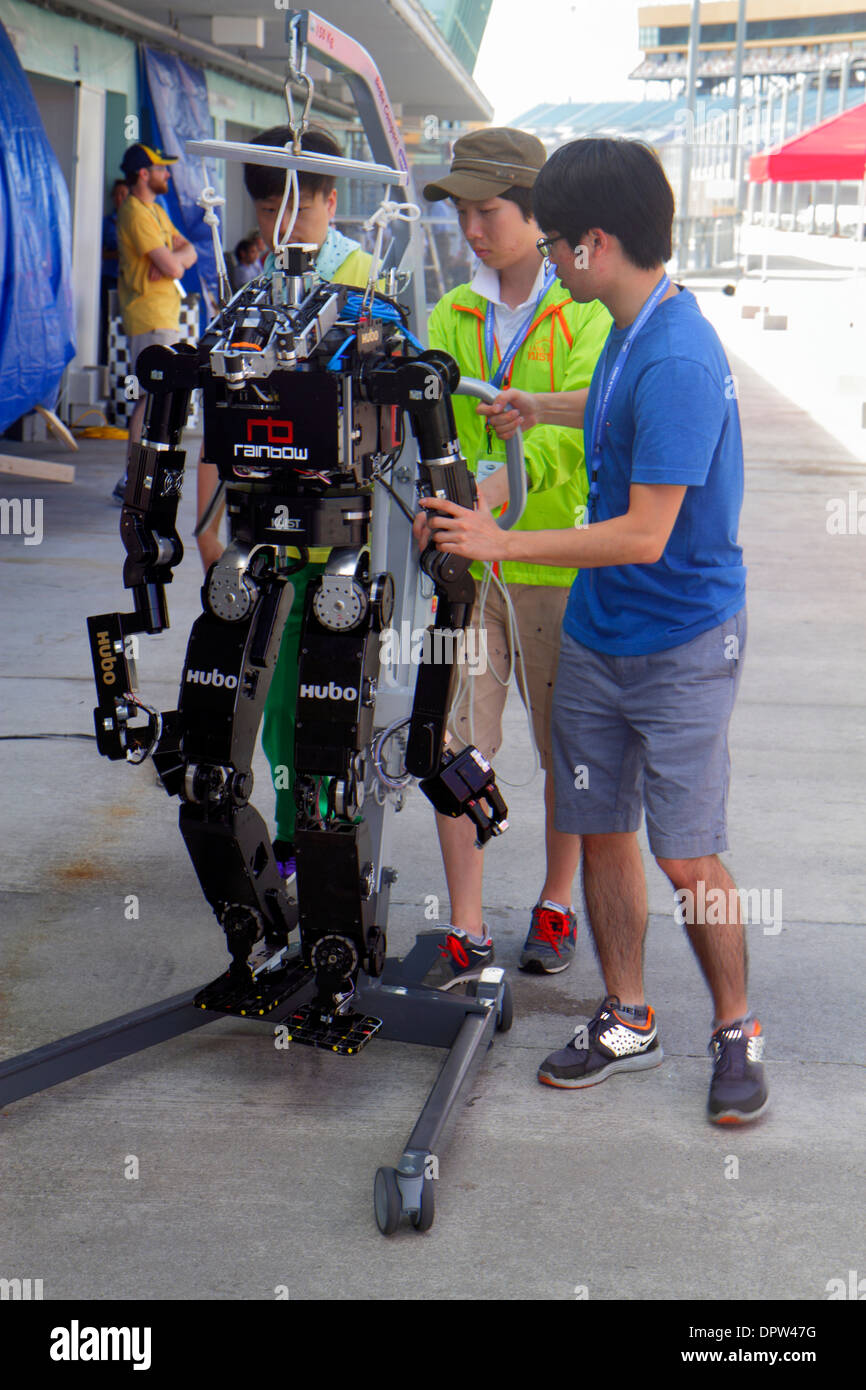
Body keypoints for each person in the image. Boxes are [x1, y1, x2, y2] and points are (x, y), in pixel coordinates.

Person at [417, 137, 767, 1126]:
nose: (547, 254)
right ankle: (626, 1015)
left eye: (559, 240)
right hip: (604, 635)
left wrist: (501, 535)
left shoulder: (680, 355)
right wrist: (545, 406)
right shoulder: (622, 326)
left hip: (680, 640)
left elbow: (645, 531)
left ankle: (734, 1026)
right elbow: (609, 405)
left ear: (594, 243)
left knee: (684, 851)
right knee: (604, 829)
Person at [417, 128, 610, 988]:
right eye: (461, 212)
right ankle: (464, 924)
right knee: (454, 741)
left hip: (555, 567)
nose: (472, 228)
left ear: (540, 215)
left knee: (567, 747)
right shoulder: (450, 316)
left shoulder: (588, 314)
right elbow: (428, 439)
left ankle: (557, 901)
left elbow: (583, 442)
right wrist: (440, 514)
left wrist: (494, 496)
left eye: (487, 210)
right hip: (471, 572)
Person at [195, 126, 374, 880]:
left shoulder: (368, 283)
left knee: (331, 699)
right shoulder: (250, 287)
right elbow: (220, 410)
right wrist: (208, 522)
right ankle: (293, 840)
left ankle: (329, 843)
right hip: (264, 531)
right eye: (269, 208)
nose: (281, 226)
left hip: (343, 534)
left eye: (298, 207)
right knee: (270, 706)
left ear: (333, 199)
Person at [111, 144, 198, 502]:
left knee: (157, 397)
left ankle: (140, 478)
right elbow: (178, 265)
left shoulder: (156, 211)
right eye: (161, 169)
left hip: (162, 314)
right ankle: (132, 478)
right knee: (150, 397)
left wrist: (171, 260)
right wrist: (173, 261)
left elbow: (187, 251)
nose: (168, 174)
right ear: (144, 174)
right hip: (149, 317)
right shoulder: (135, 212)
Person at [100, 179, 129, 361]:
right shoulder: (106, 223)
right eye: (116, 195)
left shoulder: (135, 221)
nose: (119, 198)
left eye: (123, 194)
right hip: (110, 278)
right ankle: (106, 361)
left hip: (129, 281)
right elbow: (99, 252)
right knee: (108, 322)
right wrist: (119, 254)